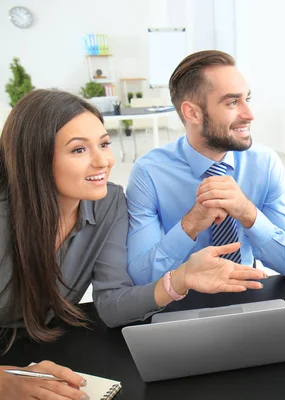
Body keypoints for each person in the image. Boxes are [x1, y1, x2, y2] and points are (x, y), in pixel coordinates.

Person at [0, 89, 266, 400]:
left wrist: (179, 279)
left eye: (103, 143)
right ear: (36, 160)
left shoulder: (109, 202)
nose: (103, 161)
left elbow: (112, 304)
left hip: (38, 347)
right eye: (78, 150)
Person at [126, 50, 285, 285]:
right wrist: (190, 224)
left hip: (248, 289)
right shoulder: (149, 173)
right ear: (192, 113)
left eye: (246, 99)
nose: (249, 115)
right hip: (180, 297)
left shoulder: (264, 164)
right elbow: (140, 277)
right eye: (232, 102)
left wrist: (248, 213)